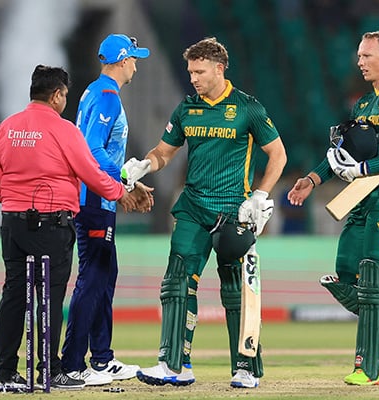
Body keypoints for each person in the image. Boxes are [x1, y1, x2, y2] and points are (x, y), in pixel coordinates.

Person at [121, 37, 287, 389]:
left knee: (236, 291)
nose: (193, 78)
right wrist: (144, 165)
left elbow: (278, 155)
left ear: (219, 68)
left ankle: (245, 367)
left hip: (234, 211)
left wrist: (259, 195)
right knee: (176, 282)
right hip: (194, 207)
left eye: (199, 71)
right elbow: (165, 152)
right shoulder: (187, 108)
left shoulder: (248, 108)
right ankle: (174, 364)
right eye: (190, 71)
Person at [0, 65, 145, 389]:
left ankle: (6, 372)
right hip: (52, 224)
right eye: (65, 95)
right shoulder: (64, 130)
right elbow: (91, 171)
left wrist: (12, 198)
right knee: (49, 299)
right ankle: (51, 370)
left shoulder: (6, 128)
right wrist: (120, 192)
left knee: (13, 293)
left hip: (12, 223)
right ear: (56, 95)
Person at [287, 31, 379, 386]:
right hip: (361, 195)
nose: (359, 62)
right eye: (358, 56)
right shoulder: (363, 105)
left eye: (367, 55)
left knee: (374, 280)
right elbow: (344, 155)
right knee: (345, 272)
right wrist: (312, 179)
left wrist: (362, 170)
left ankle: (370, 369)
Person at [61, 33, 152, 386]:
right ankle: (72, 364)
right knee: (94, 278)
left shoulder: (93, 91)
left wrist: (123, 184)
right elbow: (90, 149)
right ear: (123, 59)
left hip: (97, 196)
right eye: (134, 59)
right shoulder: (108, 96)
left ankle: (101, 359)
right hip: (94, 199)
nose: (136, 65)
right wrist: (122, 178)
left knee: (104, 275)